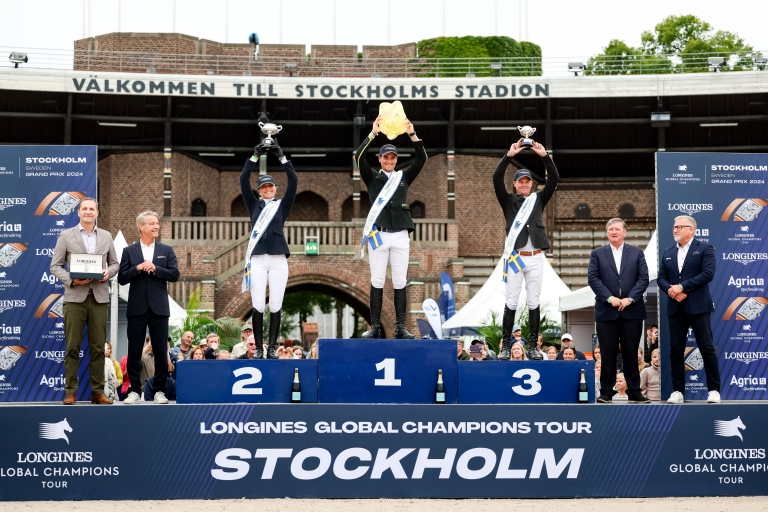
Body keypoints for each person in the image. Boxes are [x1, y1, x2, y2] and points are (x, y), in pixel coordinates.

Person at [357, 115, 428, 339]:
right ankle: (376, 327)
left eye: (392, 158)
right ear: (379, 159)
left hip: (400, 236)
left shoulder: (403, 178)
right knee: (377, 280)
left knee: (399, 280)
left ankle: (400, 327)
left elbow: (422, 159)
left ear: (396, 160)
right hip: (379, 235)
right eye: (385, 157)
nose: (389, 161)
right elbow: (358, 157)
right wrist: (372, 133)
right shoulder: (372, 178)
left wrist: (412, 134)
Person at [49, 197, 120, 405]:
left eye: (92, 209)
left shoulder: (106, 236)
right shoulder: (65, 235)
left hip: (99, 298)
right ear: (78, 212)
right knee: (72, 346)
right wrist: (72, 279)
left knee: (98, 348)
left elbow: (115, 263)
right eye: (84, 209)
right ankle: (71, 391)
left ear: (97, 213)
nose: (88, 212)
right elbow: (55, 266)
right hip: (74, 298)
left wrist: (109, 272)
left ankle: (97, 392)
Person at [494, 138, 559, 361]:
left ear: (531, 184)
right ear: (515, 184)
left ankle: (532, 346)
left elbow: (555, 179)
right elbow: (495, 178)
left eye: (527, 181)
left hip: (536, 257)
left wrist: (544, 156)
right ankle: (505, 347)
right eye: (520, 182)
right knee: (511, 301)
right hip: (516, 257)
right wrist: (509, 155)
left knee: (534, 301)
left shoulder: (539, 199)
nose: (524, 184)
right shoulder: (508, 201)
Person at [240, 140, 297, 359]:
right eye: (263, 187)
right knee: (257, 305)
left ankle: (272, 347)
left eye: (270, 186)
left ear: (275, 188)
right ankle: (260, 349)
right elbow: (243, 179)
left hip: (278, 258)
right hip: (257, 259)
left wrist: (281, 156)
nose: (267, 189)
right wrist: (255, 155)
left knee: (275, 304)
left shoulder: (282, 205)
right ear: (260, 190)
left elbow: (293, 180)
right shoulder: (253, 205)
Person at [118, 210, 180, 405]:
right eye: (152, 223)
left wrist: (155, 268)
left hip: (159, 307)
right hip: (136, 307)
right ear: (141, 227)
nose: (156, 226)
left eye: (157, 223)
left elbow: (174, 274)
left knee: (161, 350)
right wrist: (137, 269)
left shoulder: (166, 250)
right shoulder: (129, 251)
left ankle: (160, 390)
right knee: (135, 351)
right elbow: (121, 278)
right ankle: (134, 391)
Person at [657, 215, 720, 404]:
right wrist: (672, 290)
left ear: (691, 230)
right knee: (676, 350)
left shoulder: (705, 248)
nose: (675, 230)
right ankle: (677, 391)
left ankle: (714, 390)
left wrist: (682, 287)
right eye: (674, 227)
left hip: (699, 307)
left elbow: (708, 273)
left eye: (679, 227)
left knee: (706, 348)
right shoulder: (668, 251)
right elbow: (661, 277)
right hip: (676, 308)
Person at [588, 218, 649, 404]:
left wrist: (629, 299)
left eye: (617, 229)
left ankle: (635, 392)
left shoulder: (637, 253)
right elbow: (593, 278)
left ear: (624, 232)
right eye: (610, 229)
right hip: (607, 311)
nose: (613, 232)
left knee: (631, 352)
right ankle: (606, 392)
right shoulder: (597, 254)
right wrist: (610, 298)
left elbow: (643, 279)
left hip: (632, 311)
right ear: (607, 233)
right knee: (608, 353)